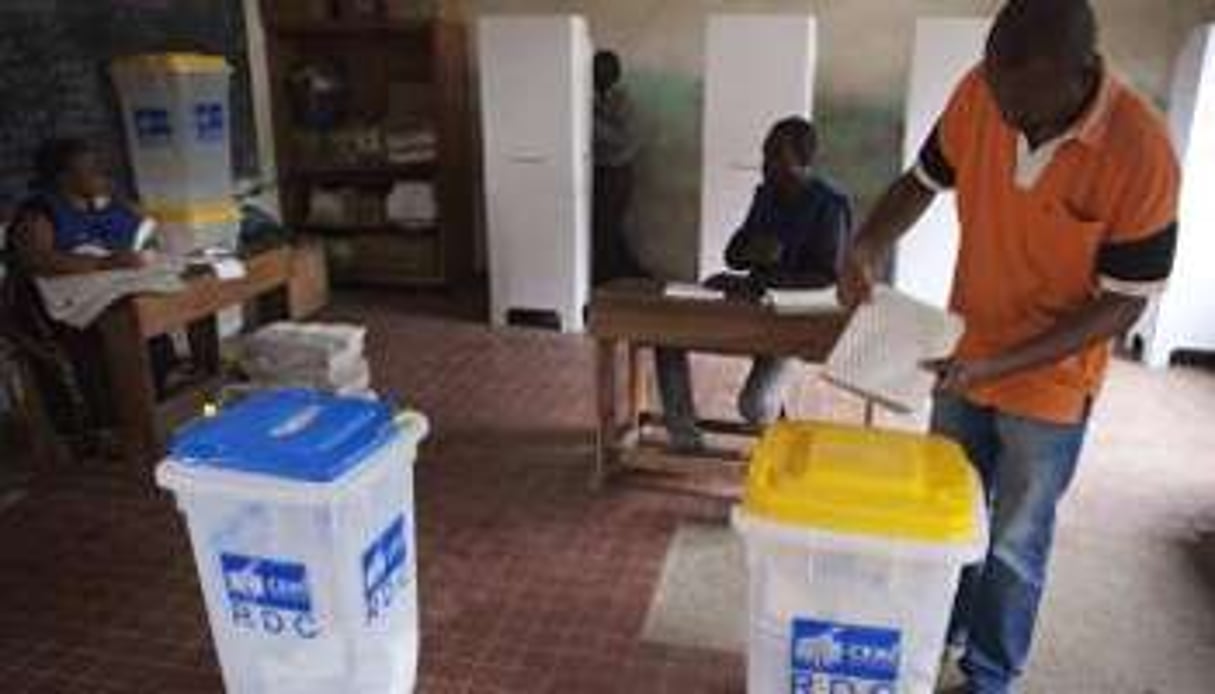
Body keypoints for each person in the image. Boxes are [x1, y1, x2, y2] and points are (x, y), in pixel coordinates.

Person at [838, 1, 1178, 691]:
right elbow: (919, 182)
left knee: (1016, 542)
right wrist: (868, 241)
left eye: (1020, 103)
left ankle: (988, 673)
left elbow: (1122, 301)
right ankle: (939, 631)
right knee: (946, 513)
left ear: (1080, 74)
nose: (1004, 114)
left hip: (1051, 383)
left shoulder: (1140, 153)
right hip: (962, 350)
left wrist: (998, 366)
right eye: (995, 91)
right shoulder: (982, 91)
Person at [657, 117, 852, 452]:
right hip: (751, 307)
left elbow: (826, 279)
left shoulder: (830, 206)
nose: (766, 165)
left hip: (793, 321)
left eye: (777, 156)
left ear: (803, 162)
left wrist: (767, 277)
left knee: (755, 407)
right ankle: (685, 438)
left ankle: (781, 432)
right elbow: (734, 255)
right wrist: (751, 252)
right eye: (765, 154)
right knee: (665, 333)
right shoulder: (766, 195)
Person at [3, 138, 158, 455]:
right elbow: (37, 260)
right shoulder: (39, 212)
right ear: (63, 178)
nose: (99, 175)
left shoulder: (93, 203)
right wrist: (103, 263)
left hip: (91, 296)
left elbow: (143, 227)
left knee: (146, 327)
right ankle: (98, 431)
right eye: (89, 170)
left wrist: (116, 201)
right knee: (93, 346)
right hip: (41, 311)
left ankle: (143, 411)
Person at [592, 49, 645, 285]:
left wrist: (590, 120)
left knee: (608, 228)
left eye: (603, 70)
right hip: (597, 171)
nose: (597, 75)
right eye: (595, 70)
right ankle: (628, 274)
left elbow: (624, 141)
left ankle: (617, 277)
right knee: (604, 228)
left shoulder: (626, 101)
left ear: (616, 74)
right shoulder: (591, 96)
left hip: (617, 173)